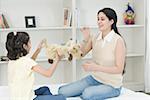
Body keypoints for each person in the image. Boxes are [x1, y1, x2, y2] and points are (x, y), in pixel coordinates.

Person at [58, 8, 126, 100]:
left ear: (111, 21)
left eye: (102, 19)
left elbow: (119, 69)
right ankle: (93, 89)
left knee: (87, 94)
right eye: (98, 19)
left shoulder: (118, 41)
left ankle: (96, 90)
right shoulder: (96, 37)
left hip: (112, 84)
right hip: (95, 79)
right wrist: (86, 39)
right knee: (62, 91)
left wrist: (95, 67)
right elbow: (81, 54)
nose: (99, 22)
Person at [6, 31, 66, 100]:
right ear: (24, 46)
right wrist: (57, 60)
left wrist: (38, 50)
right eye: (29, 42)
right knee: (62, 97)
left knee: (45, 89)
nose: (31, 44)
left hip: (18, 97)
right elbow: (48, 73)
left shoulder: (13, 61)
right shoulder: (27, 62)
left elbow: (29, 64)